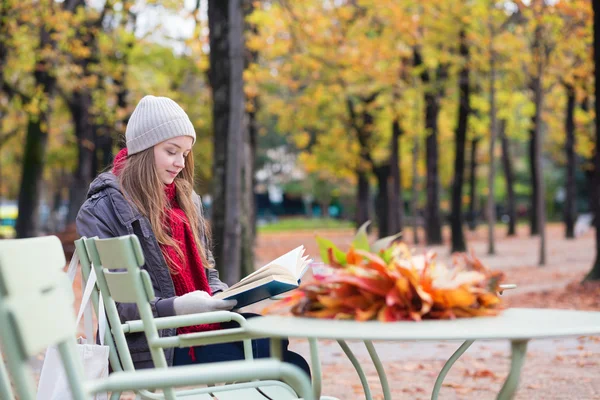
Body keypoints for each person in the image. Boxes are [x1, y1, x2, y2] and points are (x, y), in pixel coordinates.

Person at [76, 95, 310, 376]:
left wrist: (223, 296)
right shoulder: (103, 208)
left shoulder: (186, 200)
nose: (179, 163)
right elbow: (122, 308)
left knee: (275, 341)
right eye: (171, 151)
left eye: (185, 154)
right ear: (144, 149)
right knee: (285, 363)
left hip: (193, 329)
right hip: (149, 345)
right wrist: (181, 306)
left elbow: (208, 273)